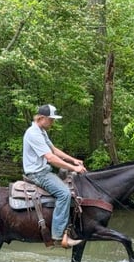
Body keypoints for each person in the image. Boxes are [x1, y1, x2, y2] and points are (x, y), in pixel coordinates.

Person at [22, 104, 87, 248]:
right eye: (51, 119)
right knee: (64, 193)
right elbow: (51, 158)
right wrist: (74, 168)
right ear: (41, 118)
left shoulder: (41, 131)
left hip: (43, 171)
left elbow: (54, 150)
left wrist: (73, 160)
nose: (53, 122)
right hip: (37, 173)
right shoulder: (33, 133)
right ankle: (58, 236)